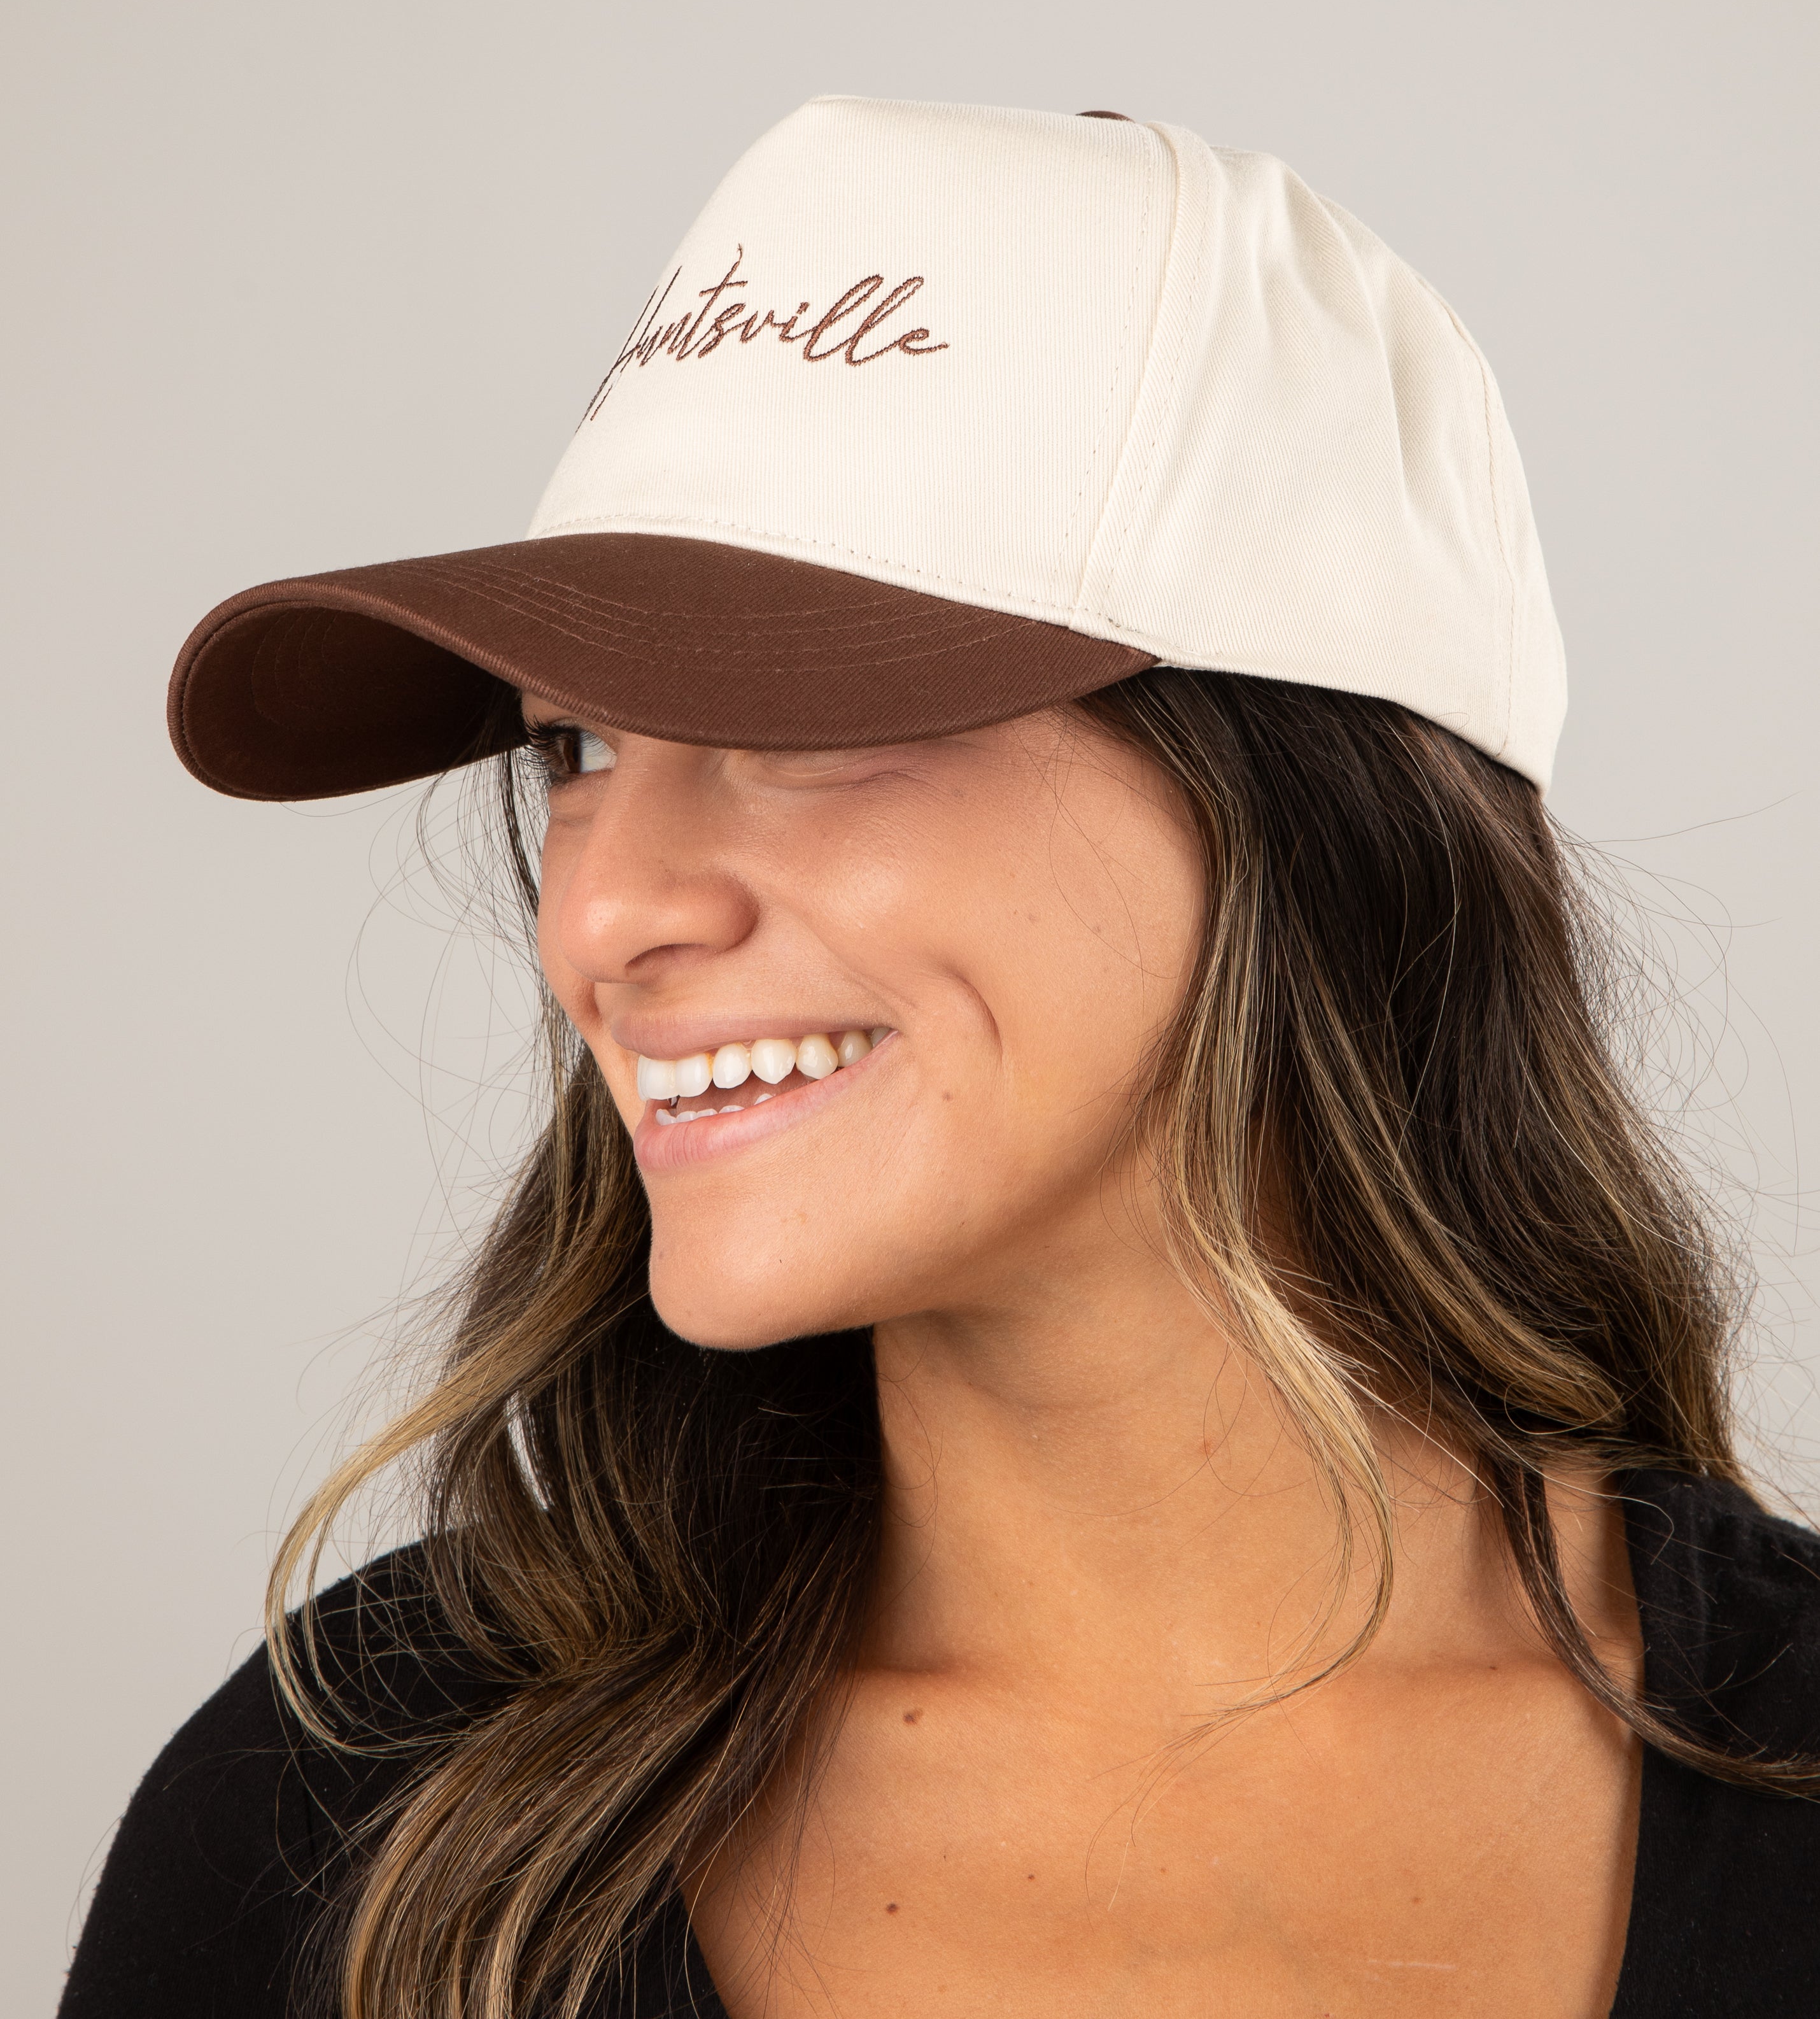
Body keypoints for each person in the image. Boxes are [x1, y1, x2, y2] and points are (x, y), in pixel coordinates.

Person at [63, 101, 1819, 2018]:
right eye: (571, 749)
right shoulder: (350, 1808)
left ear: (1310, 808)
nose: (606, 917)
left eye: (794, 723)